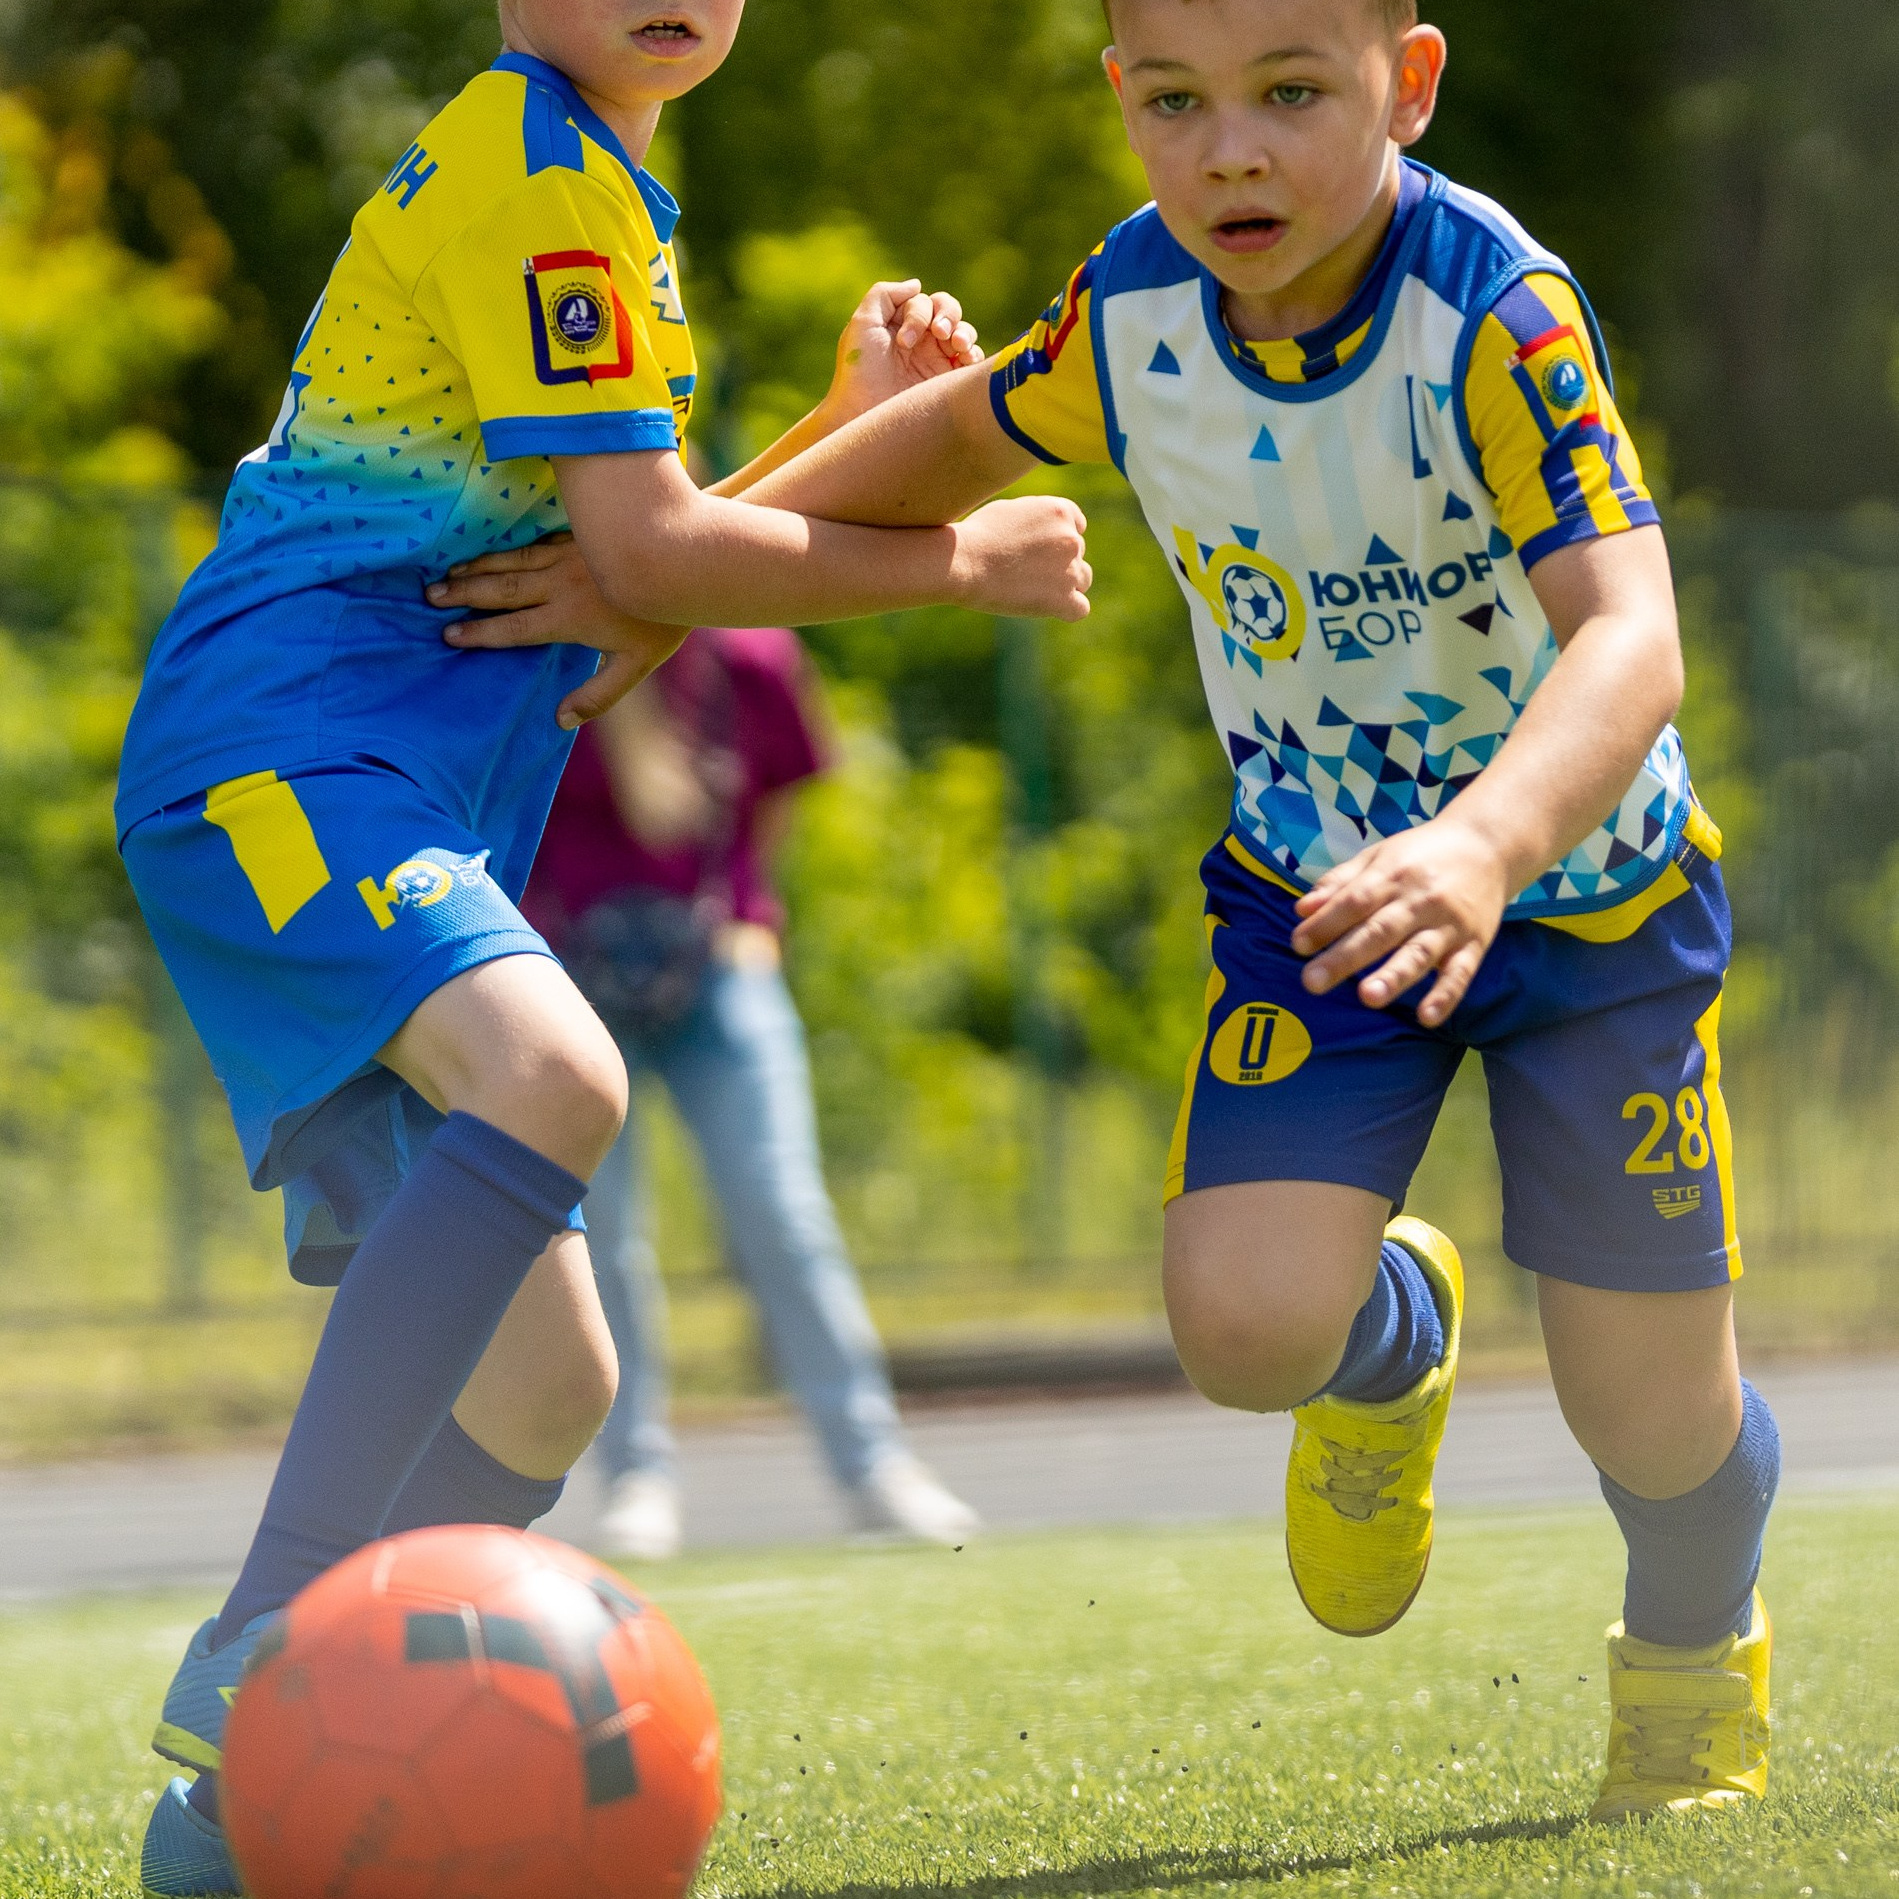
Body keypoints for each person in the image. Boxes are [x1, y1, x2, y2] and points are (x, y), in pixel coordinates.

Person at [437, 0, 1782, 1824]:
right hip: (1319, 901)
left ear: (1408, 81)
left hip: (1582, 899)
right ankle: (1391, 1342)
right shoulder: (1131, 308)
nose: (1228, 151)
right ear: (1119, 101)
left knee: (1650, 1415)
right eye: (1174, 102)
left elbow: (1629, 633)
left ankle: (1689, 1662)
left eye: (1289, 96)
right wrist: (651, 587)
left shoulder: (1490, 307)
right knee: (1242, 1327)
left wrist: (1477, 848)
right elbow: (931, 453)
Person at [118, 1, 1090, 1889]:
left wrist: (853, 425)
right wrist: (957, 552)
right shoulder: (546, 177)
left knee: (550, 1386)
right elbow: (651, 565)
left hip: (382, 774)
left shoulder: (605, 174)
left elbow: (618, 581)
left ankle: (243, 1817)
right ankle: (267, 1627)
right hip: (282, 761)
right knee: (559, 1075)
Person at [522, 626, 979, 1557]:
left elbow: (777, 802)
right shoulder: (531, 650)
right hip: (562, 971)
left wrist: (744, 910)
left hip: (717, 966)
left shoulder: (748, 655)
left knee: (779, 1209)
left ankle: (871, 1462)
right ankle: (636, 1475)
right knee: (600, 1231)